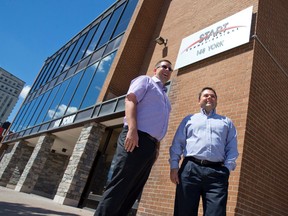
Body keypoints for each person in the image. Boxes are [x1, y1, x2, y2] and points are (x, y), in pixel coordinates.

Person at [95, 59, 173, 216]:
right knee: (120, 186)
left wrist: (156, 147)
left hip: (150, 146)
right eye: (164, 66)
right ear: (155, 69)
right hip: (135, 137)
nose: (167, 70)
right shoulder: (146, 81)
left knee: (133, 189)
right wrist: (132, 129)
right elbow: (130, 100)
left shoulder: (165, 97)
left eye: (170, 68)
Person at [169, 87, 238, 216]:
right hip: (190, 170)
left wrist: (227, 169)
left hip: (217, 173)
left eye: (212, 96)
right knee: (184, 212)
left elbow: (232, 147)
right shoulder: (189, 119)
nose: (209, 98)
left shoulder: (226, 122)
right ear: (199, 100)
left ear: (216, 100)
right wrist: (174, 166)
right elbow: (177, 143)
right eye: (206, 95)